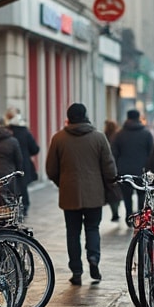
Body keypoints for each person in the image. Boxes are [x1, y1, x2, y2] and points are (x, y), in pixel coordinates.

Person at [45, 103, 118, 286]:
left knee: (72, 233)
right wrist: (108, 185)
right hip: (94, 194)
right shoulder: (99, 138)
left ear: (68, 117)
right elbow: (109, 169)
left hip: (69, 193)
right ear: (85, 115)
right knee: (92, 228)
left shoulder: (58, 139)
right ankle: (93, 257)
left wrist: (62, 183)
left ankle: (76, 270)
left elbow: (51, 169)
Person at [111, 108, 153, 221]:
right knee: (141, 194)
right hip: (142, 170)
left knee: (127, 195)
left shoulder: (119, 134)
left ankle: (129, 216)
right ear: (138, 117)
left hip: (124, 170)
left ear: (128, 118)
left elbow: (114, 153)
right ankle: (140, 215)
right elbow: (151, 153)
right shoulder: (146, 133)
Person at [3, 107, 40, 215]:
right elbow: (35, 149)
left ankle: (12, 209)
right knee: (22, 188)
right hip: (23, 165)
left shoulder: (5, 132)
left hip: (8, 165)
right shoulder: (24, 132)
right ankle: (24, 208)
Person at [102, 118, 123, 221]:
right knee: (116, 191)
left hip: (107, 167)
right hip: (116, 166)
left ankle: (114, 211)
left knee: (111, 192)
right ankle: (116, 211)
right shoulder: (118, 136)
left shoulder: (103, 136)